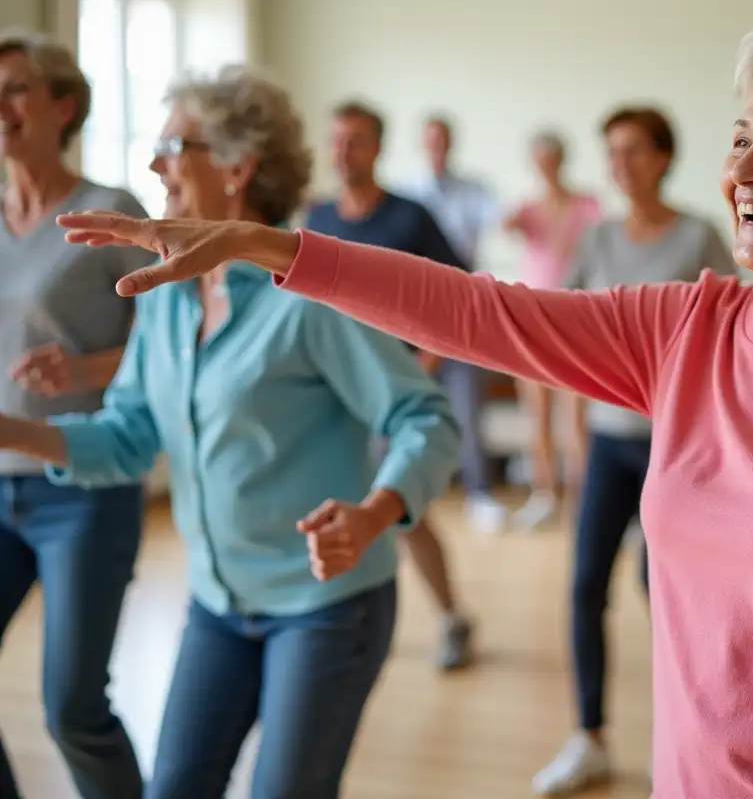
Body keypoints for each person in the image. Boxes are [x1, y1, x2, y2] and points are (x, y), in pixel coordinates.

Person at [57, 13, 753, 799]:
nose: (744, 167)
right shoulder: (686, 328)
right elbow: (480, 315)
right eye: (740, 138)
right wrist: (268, 244)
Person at [6, 64, 460, 799]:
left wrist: (376, 511)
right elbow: (126, 437)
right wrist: (11, 433)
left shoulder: (308, 296)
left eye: (173, 146)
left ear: (238, 167)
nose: (154, 164)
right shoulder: (165, 297)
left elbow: (425, 417)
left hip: (325, 609)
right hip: (218, 604)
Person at [533, 107, 738, 794]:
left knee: (665, 594)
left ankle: (682, 738)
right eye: (611, 152)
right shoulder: (595, 242)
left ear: (663, 158)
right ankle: (589, 734)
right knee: (586, 585)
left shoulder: (699, 236)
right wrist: (574, 435)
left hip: (676, 453)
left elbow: (732, 340)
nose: (619, 164)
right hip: (610, 447)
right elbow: (567, 338)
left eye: (632, 151)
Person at [0, 31, 148, 799]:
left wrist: (87, 368)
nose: (2, 104)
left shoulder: (109, 212)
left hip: (80, 488)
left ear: (65, 105)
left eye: (18, 88)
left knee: (72, 709)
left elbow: (179, 342)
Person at [304, 99, 476, 671]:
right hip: (330, 399)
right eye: (335, 140)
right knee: (329, 507)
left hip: (391, 396)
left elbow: (458, 295)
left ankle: (451, 617)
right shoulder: (316, 220)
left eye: (354, 140)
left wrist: (423, 364)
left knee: (404, 511)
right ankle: (329, 617)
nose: (342, 152)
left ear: (377, 148)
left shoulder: (410, 218)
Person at [398, 114, 506, 533]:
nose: (436, 147)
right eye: (430, 140)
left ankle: (480, 493)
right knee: (407, 407)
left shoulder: (475, 191)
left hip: (462, 313)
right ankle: (404, 492)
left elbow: (501, 220)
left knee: (467, 407)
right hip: (413, 317)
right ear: (422, 144)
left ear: (451, 143)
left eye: (443, 139)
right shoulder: (406, 195)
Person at [502, 130, 602, 532]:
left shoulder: (587, 205)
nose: (546, 165)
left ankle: (584, 499)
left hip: (574, 318)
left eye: (551, 157)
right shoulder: (527, 209)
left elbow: (598, 246)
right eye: (539, 159)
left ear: (561, 159)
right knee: (537, 413)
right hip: (531, 315)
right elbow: (504, 226)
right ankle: (544, 495)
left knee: (575, 417)